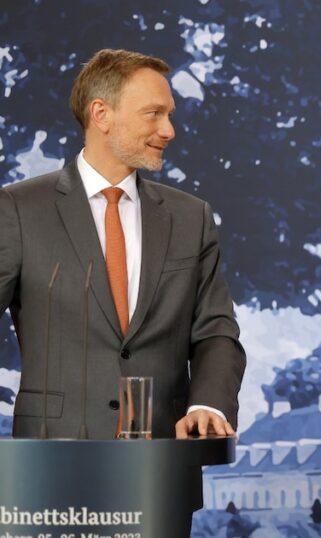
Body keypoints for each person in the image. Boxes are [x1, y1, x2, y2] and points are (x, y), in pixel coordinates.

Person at [0, 48, 245, 519]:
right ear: (101, 114)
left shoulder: (189, 216)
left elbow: (216, 331)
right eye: (154, 113)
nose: (169, 130)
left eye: (169, 115)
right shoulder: (17, 210)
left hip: (160, 472)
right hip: (49, 473)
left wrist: (210, 406)